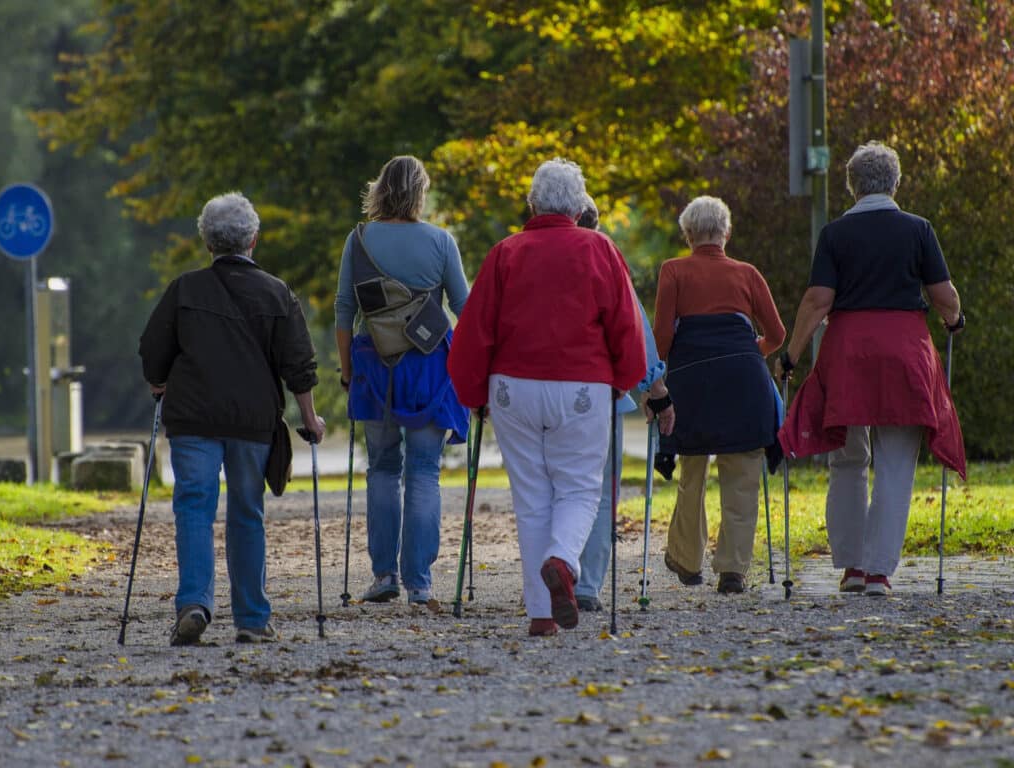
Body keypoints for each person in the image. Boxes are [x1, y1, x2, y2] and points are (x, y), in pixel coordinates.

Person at [448, 158, 656, 637]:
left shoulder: (505, 253)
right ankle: (563, 561)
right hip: (582, 384)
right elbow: (624, 325)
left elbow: (475, 330)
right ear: (581, 206)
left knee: (532, 495)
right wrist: (625, 379)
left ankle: (541, 614)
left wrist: (472, 392)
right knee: (581, 487)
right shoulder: (599, 248)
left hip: (512, 387)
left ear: (532, 203)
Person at [775, 141, 966, 596]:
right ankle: (880, 571)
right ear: (895, 183)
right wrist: (955, 320)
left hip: (848, 352)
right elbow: (943, 295)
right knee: (897, 460)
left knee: (847, 456)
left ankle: (852, 567)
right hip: (905, 352)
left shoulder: (835, 234)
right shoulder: (918, 229)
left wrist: (791, 355)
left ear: (852, 186)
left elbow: (818, 301)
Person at [139, 191, 326, 645]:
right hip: (251, 421)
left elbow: (152, 348)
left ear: (207, 242)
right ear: (253, 241)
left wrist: (158, 381)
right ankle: (253, 619)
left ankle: (195, 604)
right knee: (246, 512)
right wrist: (311, 418)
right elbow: (298, 363)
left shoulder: (185, 289)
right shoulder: (278, 292)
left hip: (193, 419)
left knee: (193, 508)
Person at [334, 155, 470, 606]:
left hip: (374, 364)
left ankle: (383, 574)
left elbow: (343, 311)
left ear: (380, 189)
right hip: (430, 365)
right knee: (425, 471)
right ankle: (420, 582)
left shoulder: (358, 241)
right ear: (420, 192)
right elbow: (464, 309)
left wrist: (348, 372)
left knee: (382, 468)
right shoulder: (441, 241)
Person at [654, 195, 785, 595]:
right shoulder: (747, 273)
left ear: (688, 234)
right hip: (744, 384)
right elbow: (777, 335)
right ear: (726, 233)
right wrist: (747, 354)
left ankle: (687, 559)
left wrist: (656, 383)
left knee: (692, 472)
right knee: (743, 475)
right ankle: (732, 570)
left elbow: (662, 338)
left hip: (692, 385)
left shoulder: (673, 271)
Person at [574, 196, 671, 612]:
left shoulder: (527, 258)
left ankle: (554, 572)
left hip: (538, 394)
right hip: (602, 395)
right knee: (599, 491)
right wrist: (657, 393)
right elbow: (636, 331)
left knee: (554, 490)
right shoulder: (606, 261)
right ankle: (587, 584)